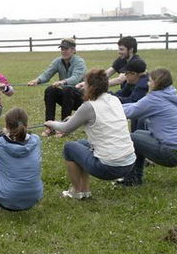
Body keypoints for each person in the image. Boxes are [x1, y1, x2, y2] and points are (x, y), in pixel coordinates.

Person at [44, 69, 136, 200]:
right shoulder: (114, 99)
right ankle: (85, 191)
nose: (83, 87)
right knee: (81, 144)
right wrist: (74, 118)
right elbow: (97, 117)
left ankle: (76, 191)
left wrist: (51, 123)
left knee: (69, 148)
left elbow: (66, 128)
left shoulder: (89, 106)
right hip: (129, 162)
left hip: (109, 167)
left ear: (91, 87)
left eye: (85, 84)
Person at [117, 68, 177, 187]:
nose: (147, 83)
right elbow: (136, 106)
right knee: (138, 135)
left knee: (131, 139)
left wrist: (109, 106)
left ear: (156, 83)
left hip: (173, 153)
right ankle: (135, 177)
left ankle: (131, 180)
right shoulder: (169, 94)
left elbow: (130, 111)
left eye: (150, 81)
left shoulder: (155, 99)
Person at [27, 38, 87, 122]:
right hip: (67, 96)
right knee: (50, 90)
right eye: (62, 49)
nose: (63, 51)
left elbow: (76, 78)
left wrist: (62, 82)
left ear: (73, 50)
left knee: (67, 89)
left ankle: (65, 125)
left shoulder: (79, 62)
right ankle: (49, 125)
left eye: (66, 49)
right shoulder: (57, 61)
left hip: (80, 98)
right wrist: (37, 80)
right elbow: (47, 73)